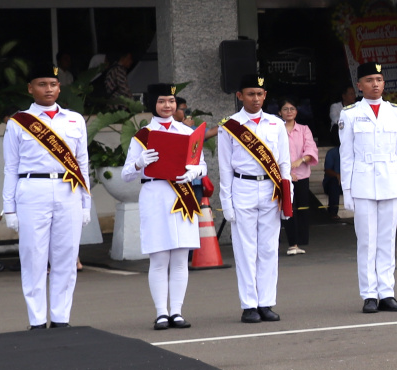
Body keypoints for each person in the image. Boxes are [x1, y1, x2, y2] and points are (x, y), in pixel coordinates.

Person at [2, 61, 92, 329]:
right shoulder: (19, 123)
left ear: (59, 87)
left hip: (68, 191)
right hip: (32, 190)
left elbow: (83, 164)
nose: (48, 89)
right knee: (34, 257)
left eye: (53, 84)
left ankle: (61, 318)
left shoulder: (75, 120)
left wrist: (87, 203)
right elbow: (11, 167)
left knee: (66, 256)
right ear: (31, 88)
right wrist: (10, 208)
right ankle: (37, 320)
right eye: (42, 84)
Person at [121, 83, 205, 330]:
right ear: (152, 104)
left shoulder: (186, 131)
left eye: (170, 101)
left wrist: (195, 172)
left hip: (182, 194)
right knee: (159, 258)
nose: (167, 106)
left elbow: (202, 164)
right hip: (155, 194)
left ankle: (177, 312)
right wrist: (139, 163)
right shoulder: (143, 135)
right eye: (161, 101)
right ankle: (161, 312)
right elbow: (126, 175)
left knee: (180, 258)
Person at [218, 75, 292, 324]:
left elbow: (284, 164)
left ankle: (266, 302)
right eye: (251, 94)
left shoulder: (276, 124)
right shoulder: (229, 126)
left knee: (269, 249)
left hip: (270, 189)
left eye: (260, 94)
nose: (256, 99)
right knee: (245, 249)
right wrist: (226, 202)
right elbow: (225, 167)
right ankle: (249, 304)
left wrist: (287, 197)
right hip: (243, 187)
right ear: (240, 96)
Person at [339, 61, 397, 314]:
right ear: (359, 85)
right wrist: (346, 190)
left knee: (387, 240)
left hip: (390, 179)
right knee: (367, 241)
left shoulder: (396, 112)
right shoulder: (350, 114)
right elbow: (346, 155)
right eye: (369, 80)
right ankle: (369, 294)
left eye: (379, 79)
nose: (375, 84)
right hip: (363, 181)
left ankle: (387, 292)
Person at [279, 98, 319, 256]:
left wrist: (301, 160)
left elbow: (311, 149)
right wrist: (286, 172)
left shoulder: (304, 129)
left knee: (302, 208)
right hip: (283, 176)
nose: (289, 112)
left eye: (292, 109)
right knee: (288, 209)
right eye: (285, 109)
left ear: (296, 111)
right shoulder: (276, 130)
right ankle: (291, 241)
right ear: (279, 112)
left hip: (301, 174)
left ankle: (301, 240)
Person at [323, 131, 346, 223]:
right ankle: (333, 212)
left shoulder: (354, 152)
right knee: (333, 182)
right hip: (335, 183)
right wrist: (337, 175)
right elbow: (327, 170)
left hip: (349, 183)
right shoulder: (332, 152)